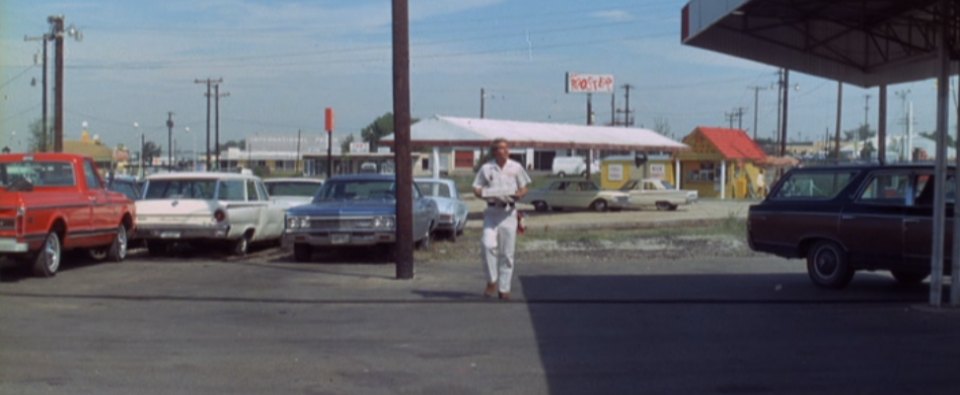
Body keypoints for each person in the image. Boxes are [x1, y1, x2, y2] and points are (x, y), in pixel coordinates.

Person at [473, 137, 531, 301]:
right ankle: (492, 280)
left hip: (508, 213)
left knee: (507, 252)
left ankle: (504, 288)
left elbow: (524, 187)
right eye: (500, 148)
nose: (505, 151)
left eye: (507, 148)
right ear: (494, 151)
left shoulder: (516, 167)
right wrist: (482, 194)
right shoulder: (486, 168)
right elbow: (476, 187)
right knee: (487, 244)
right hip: (492, 212)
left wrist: (520, 194)